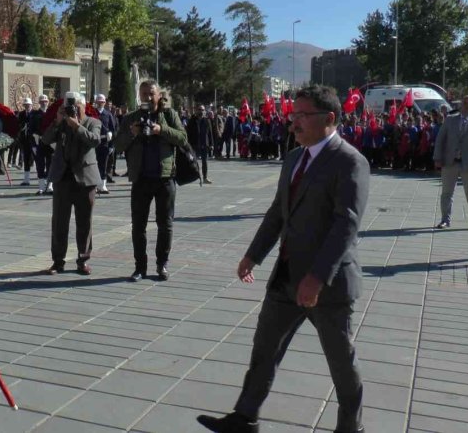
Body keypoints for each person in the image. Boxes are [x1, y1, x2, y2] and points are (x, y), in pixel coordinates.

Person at [197, 86, 369, 433]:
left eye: (302, 116)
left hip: (327, 286)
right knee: (264, 350)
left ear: (329, 118)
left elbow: (345, 226)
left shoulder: (350, 161)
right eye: (293, 116)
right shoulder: (294, 158)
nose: (294, 123)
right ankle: (245, 418)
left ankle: (351, 428)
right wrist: (253, 255)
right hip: (286, 278)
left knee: (340, 362)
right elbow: (278, 212)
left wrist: (317, 278)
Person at [114, 81, 188, 282]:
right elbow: (118, 146)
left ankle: (162, 264)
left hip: (165, 178)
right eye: (144, 94)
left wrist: (160, 129)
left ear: (158, 95)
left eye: (151, 94)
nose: (147, 97)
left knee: (165, 224)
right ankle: (140, 267)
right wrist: (132, 133)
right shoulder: (131, 118)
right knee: (138, 226)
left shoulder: (169, 115)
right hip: (141, 179)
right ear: (139, 96)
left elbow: (183, 138)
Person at [42, 93, 102, 275]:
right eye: (68, 106)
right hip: (63, 179)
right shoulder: (61, 123)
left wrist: (76, 126)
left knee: (84, 222)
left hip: (85, 179)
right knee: (59, 222)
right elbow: (46, 140)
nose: (72, 109)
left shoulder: (93, 122)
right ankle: (58, 261)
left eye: (75, 106)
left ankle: (83, 260)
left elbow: (94, 140)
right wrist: (57, 121)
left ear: (84, 106)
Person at [433, 95, 468, 231]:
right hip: (449, 162)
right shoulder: (450, 120)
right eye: (464, 102)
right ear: (460, 105)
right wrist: (437, 158)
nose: (466, 105)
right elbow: (440, 139)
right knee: (446, 193)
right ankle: (445, 220)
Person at [93, 93, 117, 194]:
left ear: (104, 103)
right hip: (94, 142)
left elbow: (113, 129)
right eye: (98, 102)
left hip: (104, 142)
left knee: (103, 164)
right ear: (96, 102)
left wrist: (111, 145)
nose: (100, 104)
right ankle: (94, 185)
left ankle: (103, 185)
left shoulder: (108, 114)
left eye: (102, 102)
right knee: (94, 164)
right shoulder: (92, 113)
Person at [31, 94, 54, 195]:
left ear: (48, 102)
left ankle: (49, 186)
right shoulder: (35, 115)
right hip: (39, 142)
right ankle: (41, 187)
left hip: (50, 142)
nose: (44, 103)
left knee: (51, 164)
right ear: (39, 103)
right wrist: (33, 145)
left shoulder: (52, 114)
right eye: (42, 101)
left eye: (45, 101)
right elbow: (31, 130)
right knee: (40, 164)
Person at [187, 105, 214, 184]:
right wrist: (188, 144)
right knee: (194, 162)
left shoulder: (207, 121)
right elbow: (188, 133)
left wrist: (211, 144)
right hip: (194, 144)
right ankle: (197, 176)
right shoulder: (192, 120)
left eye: (202, 110)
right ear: (196, 110)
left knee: (204, 162)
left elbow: (210, 134)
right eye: (199, 109)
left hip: (204, 144)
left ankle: (205, 178)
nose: (201, 111)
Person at [17, 97, 35, 186]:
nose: (27, 107)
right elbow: (19, 124)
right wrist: (22, 126)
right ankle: (26, 179)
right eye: (26, 105)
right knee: (26, 159)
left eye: (28, 105)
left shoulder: (35, 114)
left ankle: (42, 180)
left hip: (34, 140)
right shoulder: (21, 114)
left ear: (31, 105)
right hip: (25, 139)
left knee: (37, 159)